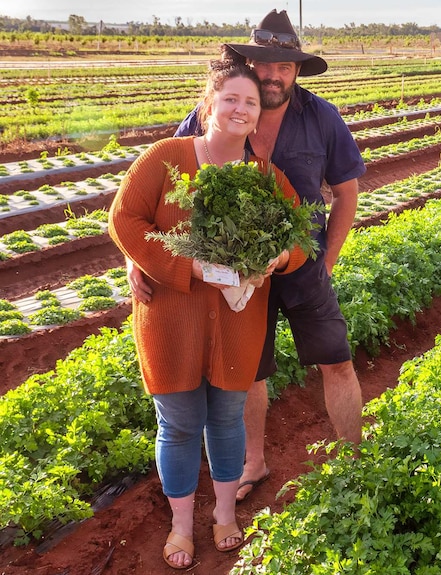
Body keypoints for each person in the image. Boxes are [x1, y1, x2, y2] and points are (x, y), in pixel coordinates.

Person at [128, 8, 367, 502]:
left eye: (285, 66)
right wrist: (140, 257)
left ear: (297, 71)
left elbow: (347, 191)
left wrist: (328, 258)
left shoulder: (321, 117)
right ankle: (253, 465)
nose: (274, 74)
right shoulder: (214, 109)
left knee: (336, 362)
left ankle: (355, 460)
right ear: (246, 63)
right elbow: (159, 186)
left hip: (302, 266)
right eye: (265, 63)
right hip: (232, 274)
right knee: (249, 373)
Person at [109, 59, 309, 569]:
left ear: (259, 114)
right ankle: (179, 525)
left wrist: (281, 256)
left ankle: (223, 514)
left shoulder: (264, 178)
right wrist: (184, 265)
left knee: (225, 422)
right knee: (177, 426)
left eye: (250, 102)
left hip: (239, 325)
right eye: (231, 99)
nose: (241, 108)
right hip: (170, 323)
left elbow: (298, 240)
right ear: (209, 104)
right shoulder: (166, 158)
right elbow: (124, 221)